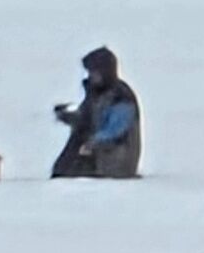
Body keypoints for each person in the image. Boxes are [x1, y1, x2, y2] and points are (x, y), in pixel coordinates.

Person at [50, 47, 140, 179]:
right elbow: (89, 118)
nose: (91, 76)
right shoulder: (96, 94)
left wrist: (94, 142)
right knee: (65, 169)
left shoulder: (121, 96)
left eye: (94, 72)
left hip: (114, 160)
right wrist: (70, 117)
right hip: (93, 152)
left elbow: (116, 128)